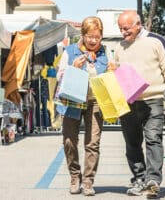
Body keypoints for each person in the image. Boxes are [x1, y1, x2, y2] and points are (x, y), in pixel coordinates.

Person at [111, 10, 165, 198]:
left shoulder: (156, 41)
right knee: (132, 143)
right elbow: (117, 74)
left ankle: (153, 180)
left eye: (126, 28)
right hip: (128, 102)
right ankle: (139, 179)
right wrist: (113, 70)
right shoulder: (120, 47)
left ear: (138, 24)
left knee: (153, 139)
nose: (123, 32)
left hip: (153, 99)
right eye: (120, 29)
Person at [56, 16, 108, 196]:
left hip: (95, 102)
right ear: (83, 35)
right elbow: (59, 77)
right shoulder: (70, 51)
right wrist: (73, 68)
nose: (94, 41)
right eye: (90, 36)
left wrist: (113, 70)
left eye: (98, 37)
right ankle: (74, 176)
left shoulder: (105, 53)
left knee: (93, 143)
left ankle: (88, 181)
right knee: (69, 140)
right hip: (73, 100)